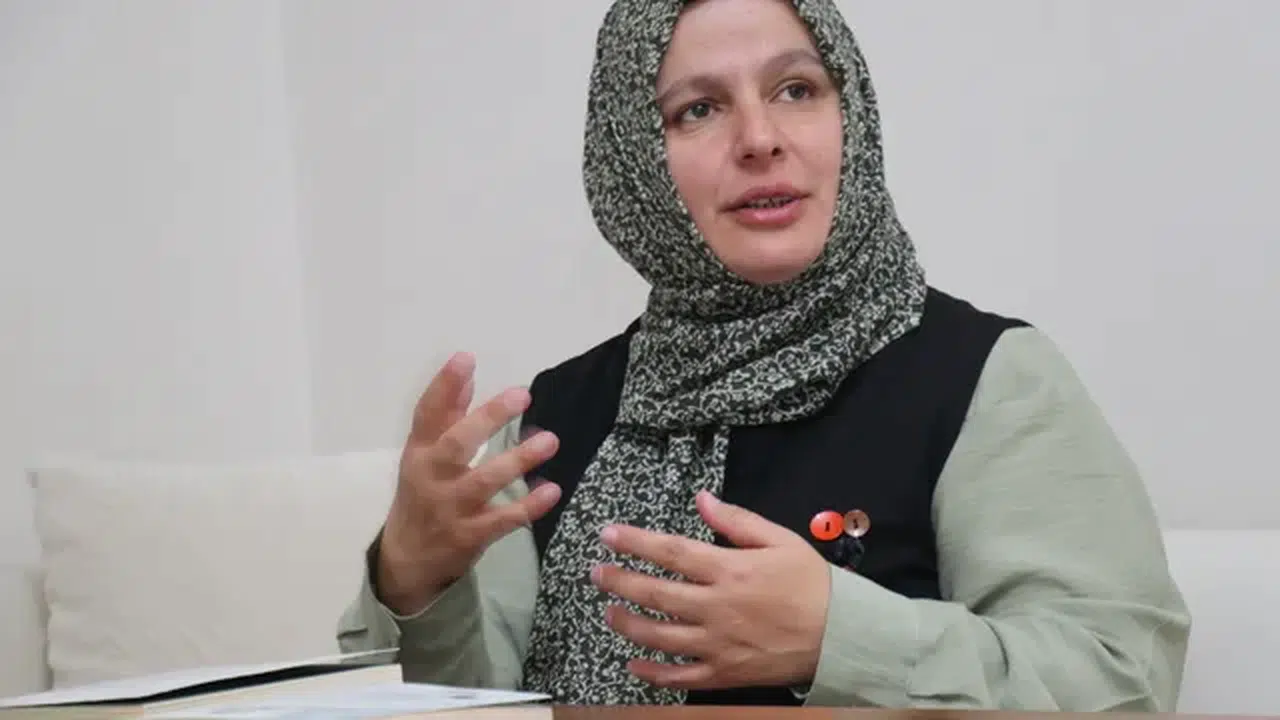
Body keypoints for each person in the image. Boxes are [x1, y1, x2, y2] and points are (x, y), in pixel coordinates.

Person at [337, 0, 1191, 710]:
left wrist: (836, 638)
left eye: (796, 89)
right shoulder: (552, 424)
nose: (759, 137)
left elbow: (1123, 680)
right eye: (697, 109)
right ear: (635, 163)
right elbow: (465, 706)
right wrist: (413, 580)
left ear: (850, 118)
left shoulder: (986, 379)